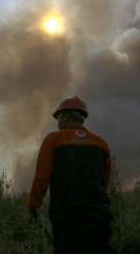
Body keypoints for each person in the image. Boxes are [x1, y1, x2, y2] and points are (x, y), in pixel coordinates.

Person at [27, 96, 113, 253]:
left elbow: (41, 177)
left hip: (66, 215)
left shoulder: (53, 139)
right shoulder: (101, 143)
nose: (58, 122)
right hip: (99, 214)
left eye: (58, 118)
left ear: (66, 116)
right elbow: (104, 182)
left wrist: (33, 205)